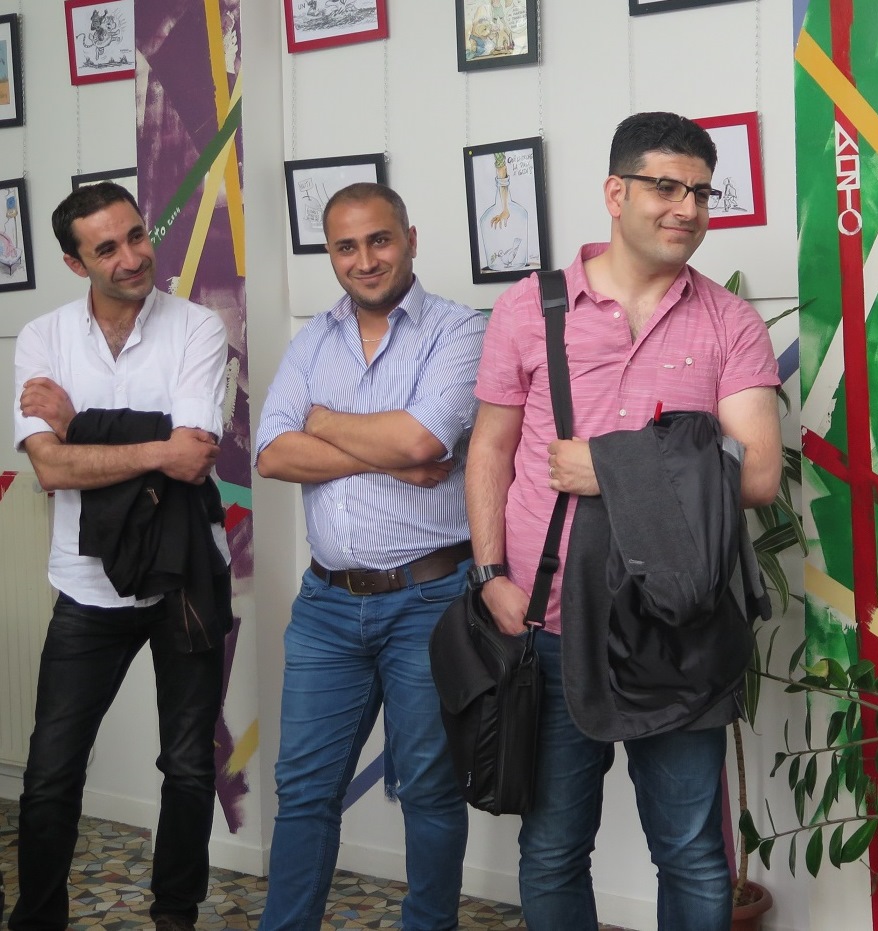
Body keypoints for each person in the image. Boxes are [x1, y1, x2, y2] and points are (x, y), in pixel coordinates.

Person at [466, 111, 782, 930]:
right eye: (665, 187)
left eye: (701, 193)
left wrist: (607, 467)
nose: (687, 208)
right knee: (552, 847)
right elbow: (490, 449)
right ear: (615, 193)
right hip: (545, 619)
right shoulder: (530, 309)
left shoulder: (728, 320)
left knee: (691, 852)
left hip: (679, 624)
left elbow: (756, 473)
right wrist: (490, 573)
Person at [254, 182, 485, 931]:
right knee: (303, 790)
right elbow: (272, 453)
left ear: (410, 238)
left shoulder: (460, 329)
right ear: (330, 254)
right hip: (325, 607)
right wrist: (387, 453)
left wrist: (322, 422)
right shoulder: (310, 342)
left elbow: (424, 439)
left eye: (379, 239)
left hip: (429, 599)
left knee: (428, 789)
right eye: (346, 246)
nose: (365, 259)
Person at [10, 182, 229, 931]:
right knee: (50, 774)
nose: (133, 257)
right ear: (76, 264)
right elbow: (51, 469)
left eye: (137, 235)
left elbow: (193, 457)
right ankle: (37, 920)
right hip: (85, 584)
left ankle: (175, 917)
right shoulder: (42, 339)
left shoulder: (198, 327)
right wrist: (151, 444)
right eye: (107, 248)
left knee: (189, 766)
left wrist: (80, 426)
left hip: (183, 580)